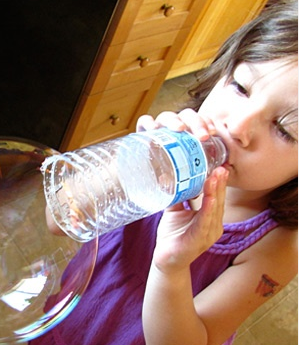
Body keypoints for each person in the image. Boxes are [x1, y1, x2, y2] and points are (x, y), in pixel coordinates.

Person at [30, 1, 298, 344]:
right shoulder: (165, 152)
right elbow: (58, 220)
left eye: (285, 129)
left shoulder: (276, 246)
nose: (238, 126)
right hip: (73, 321)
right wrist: (128, 162)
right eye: (241, 87)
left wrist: (171, 267)